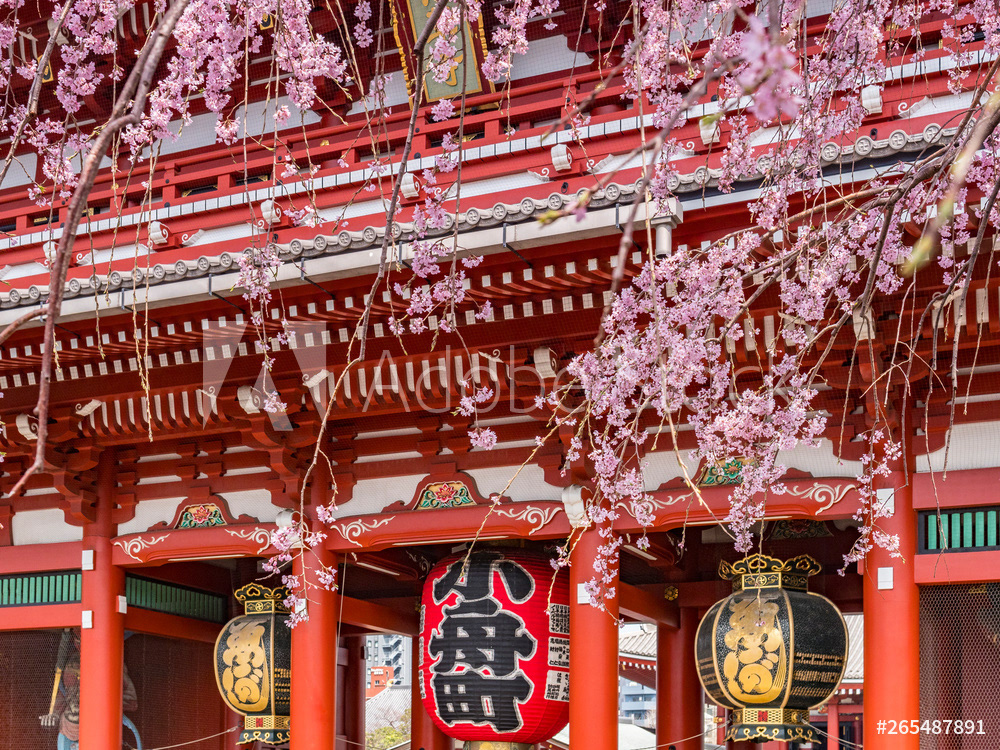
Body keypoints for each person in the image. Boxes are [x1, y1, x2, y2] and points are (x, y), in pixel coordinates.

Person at [40, 629, 140, 750]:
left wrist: (100, 705)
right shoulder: (70, 663)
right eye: (78, 640)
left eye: (84, 640)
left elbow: (131, 700)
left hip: (97, 725)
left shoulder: (110, 663)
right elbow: (62, 694)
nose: (81, 644)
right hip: (68, 729)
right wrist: (54, 714)